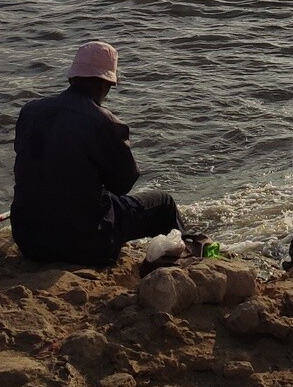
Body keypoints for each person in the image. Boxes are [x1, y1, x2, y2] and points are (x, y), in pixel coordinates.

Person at [12, 40, 186, 266]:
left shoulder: (30, 111)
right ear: (107, 84)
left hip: (28, 240)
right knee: (163, 203)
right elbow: (123, 185)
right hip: (86, 246)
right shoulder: (105, 123)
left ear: (71, 78)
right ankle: (182, 258)